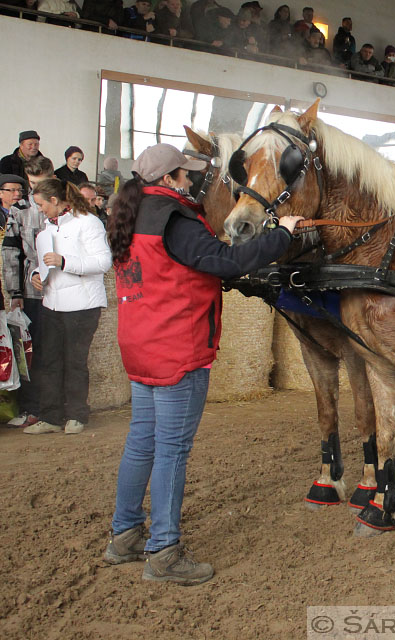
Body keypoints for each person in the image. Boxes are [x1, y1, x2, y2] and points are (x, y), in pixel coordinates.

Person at [102, 143, 302, 585]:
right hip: (178, 346)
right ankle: (164, 551)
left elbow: (178, 270)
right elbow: (226, 261)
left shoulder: (127, 215)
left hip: (141, 345)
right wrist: (282, 235)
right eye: (185, 174)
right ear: (171, 177)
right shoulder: (174, 218)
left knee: (141, 443)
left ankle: (125, 534)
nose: (191, 180)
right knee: (172, 450)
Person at [20, 179, 110, 435]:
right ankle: (50, 416)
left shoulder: (88, 222)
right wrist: (36, 275)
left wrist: (65, 262)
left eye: (41, 205)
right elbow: (42, 262)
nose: (39, 210)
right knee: (48, 360)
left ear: (55, 201)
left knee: (74, 361)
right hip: (52, 302)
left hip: (82, 305)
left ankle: (76, 414)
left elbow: (103, 262)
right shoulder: (47, 228)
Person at [4, 157, 55, 429]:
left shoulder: (64, 208)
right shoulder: (19, 210)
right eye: (31, 185)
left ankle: (49, 409)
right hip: (30, 292)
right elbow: (11, 252)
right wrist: (14, 291)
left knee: (51, 353)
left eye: (41, 184)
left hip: (58, 292)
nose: (36, 191)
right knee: (29, 352)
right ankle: (29, 406)